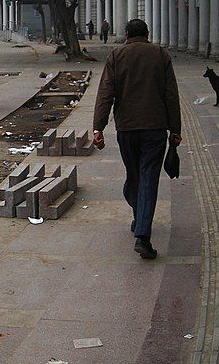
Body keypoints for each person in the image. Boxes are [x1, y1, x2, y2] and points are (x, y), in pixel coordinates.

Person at [92, 19, 181, 260]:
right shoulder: (160, 54)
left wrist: (98, 128)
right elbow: (171, 94)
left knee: (134, 175)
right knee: (148, 178)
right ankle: (143, 233)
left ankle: (140, 222)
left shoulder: (116, 55)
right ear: (147, 34)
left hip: (127, 129)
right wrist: (175, 128)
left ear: (127, 34)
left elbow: (105, 93)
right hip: (155, 127)